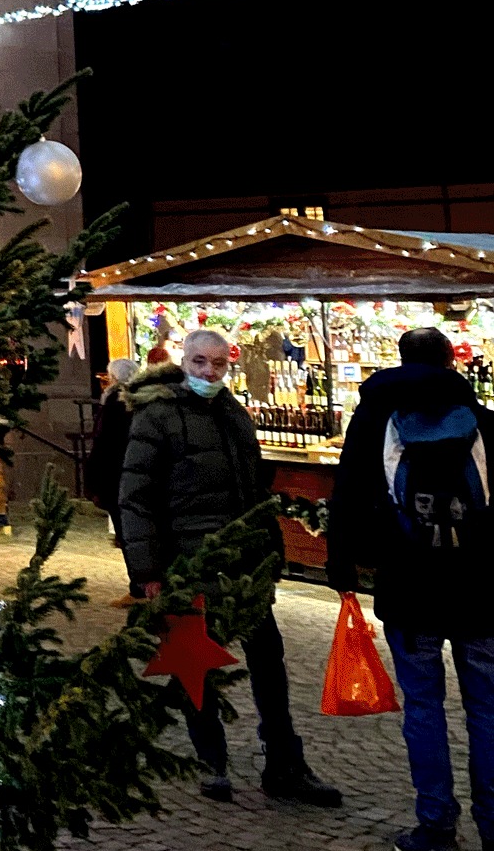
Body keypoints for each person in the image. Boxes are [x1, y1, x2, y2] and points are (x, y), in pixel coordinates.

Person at [119, 326, 341, 807]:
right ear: (183, 361)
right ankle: (211, 761)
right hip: (188, 562)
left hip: (244, 563)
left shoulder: (232, 412)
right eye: (200, 362)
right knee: (194, 663)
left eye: (218, 364)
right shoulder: (156, 416)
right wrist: (148, 571)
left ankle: (284, 763)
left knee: (269, 662)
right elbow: (136, 498)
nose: (209, 372)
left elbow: (252, 488)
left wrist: (269, 548)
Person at [326, 323, 494, 851]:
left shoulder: (375, 416)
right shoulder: (482, 421)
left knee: (424, 707)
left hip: (408, 586)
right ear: (451, 360)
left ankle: (436, 830)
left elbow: (348, 492)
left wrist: (343, 566)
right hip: (480, 589)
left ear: (399, 361)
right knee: (488, 709)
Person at [84, 355, 141, 604]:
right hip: (134, 476)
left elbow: (103, 445)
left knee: (128, 534)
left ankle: (138, 588)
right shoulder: (141, 402)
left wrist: (94, 482)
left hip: (117, 477)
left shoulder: (114, 404)